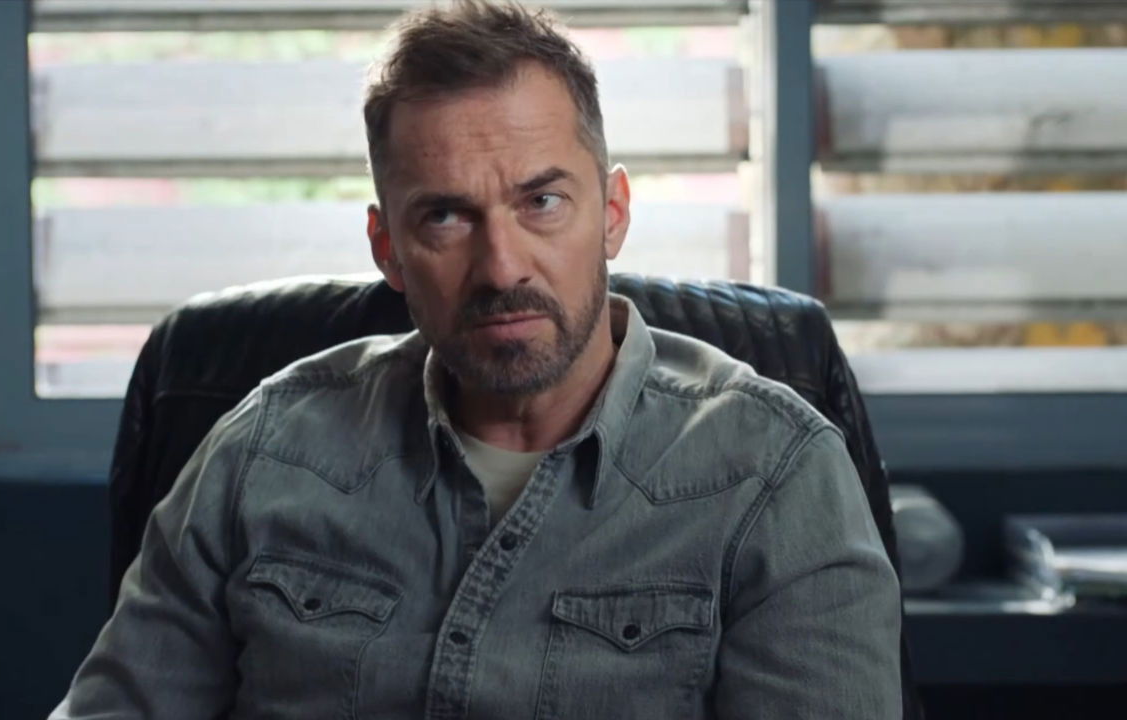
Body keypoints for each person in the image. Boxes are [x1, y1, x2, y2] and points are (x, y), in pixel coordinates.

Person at [51, 2, 902, 718]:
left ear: (612, 213)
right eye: (446, 218)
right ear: (387, 247)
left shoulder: (771, 474)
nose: (501, 268)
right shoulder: (263, 452)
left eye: (542, 202)